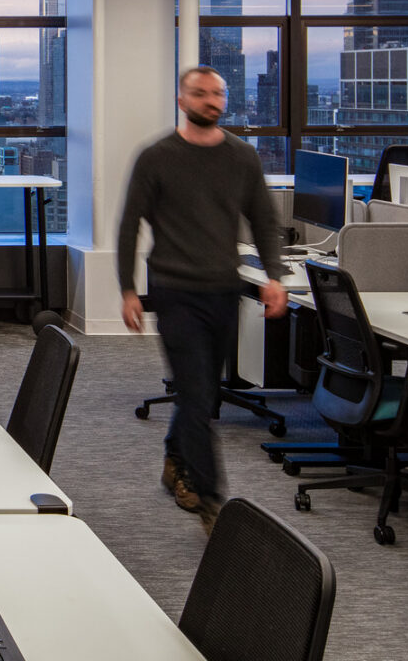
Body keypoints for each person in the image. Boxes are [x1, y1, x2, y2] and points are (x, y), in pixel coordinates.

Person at [117, 66, 287, 532]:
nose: (210, 100)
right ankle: (212, 500)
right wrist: (127, 289)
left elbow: (264, 221)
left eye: (217, 93)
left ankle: (175, 455)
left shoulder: (242, 157)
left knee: (202, 393)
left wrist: (272, 277)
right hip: (175, 292)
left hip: (223, 289)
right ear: (182, 99)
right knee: (196, 397)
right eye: (200, 93)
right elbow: (130, 223)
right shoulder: (157, 157)